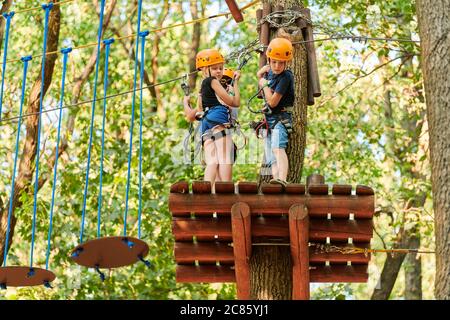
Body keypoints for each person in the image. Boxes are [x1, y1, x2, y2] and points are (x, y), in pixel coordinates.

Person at [183, 49, 240, 185]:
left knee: (212, 161)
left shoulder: (203, 88)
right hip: (218, 119)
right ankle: (226, 187)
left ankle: (207, 189)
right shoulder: (213, 81)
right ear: (205, 70)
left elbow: (196, 112)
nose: (219, 71)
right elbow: (234, 102)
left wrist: (185, 103)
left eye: (220, 68)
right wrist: (236, 84)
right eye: (215, 68)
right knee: (225, 157)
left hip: (206, 123)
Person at [256, 37, 295, 188]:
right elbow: (260, 75)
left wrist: (264, 84)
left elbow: (272, 102)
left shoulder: (286, 77)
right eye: (274, 62)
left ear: (287, 63)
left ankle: (282, 179)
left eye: (281, 63)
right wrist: (261, 73)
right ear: (269, 60)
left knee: (278, 148)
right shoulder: (271, 72)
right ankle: (276, 180)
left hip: (281, 118)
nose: (277, 66)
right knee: (271, 154)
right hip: (269, 120)